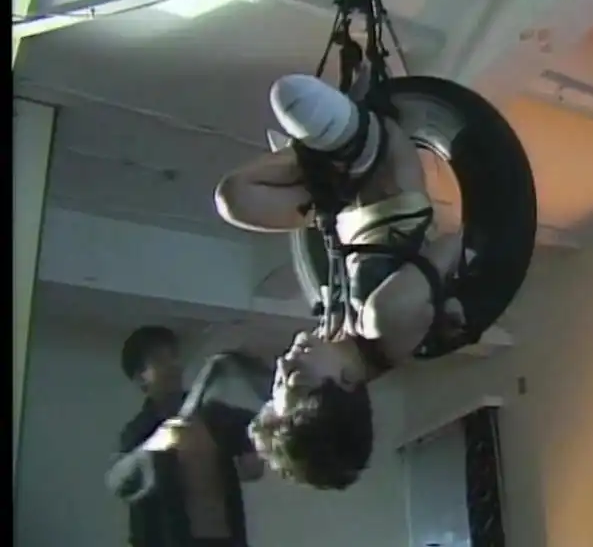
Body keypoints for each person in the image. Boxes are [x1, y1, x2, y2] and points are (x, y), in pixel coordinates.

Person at [214, 73, 466, 490]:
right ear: (347, 383)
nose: (283, 364)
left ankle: (317, 156)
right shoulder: (384, 321)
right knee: (291, 97)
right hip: (378, 166)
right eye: (296, 379)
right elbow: (455, 243)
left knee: (232, 198)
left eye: (278, 382)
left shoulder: (336, 331)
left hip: (338, 202)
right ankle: (330, 147)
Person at [105, 326, 264, 547]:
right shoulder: (138, 431)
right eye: (159, 360)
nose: (173, 365)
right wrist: (154, 445)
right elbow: (118, 482)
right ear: (141, 377)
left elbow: (253, 462)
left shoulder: (214, 415)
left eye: (173, 357)